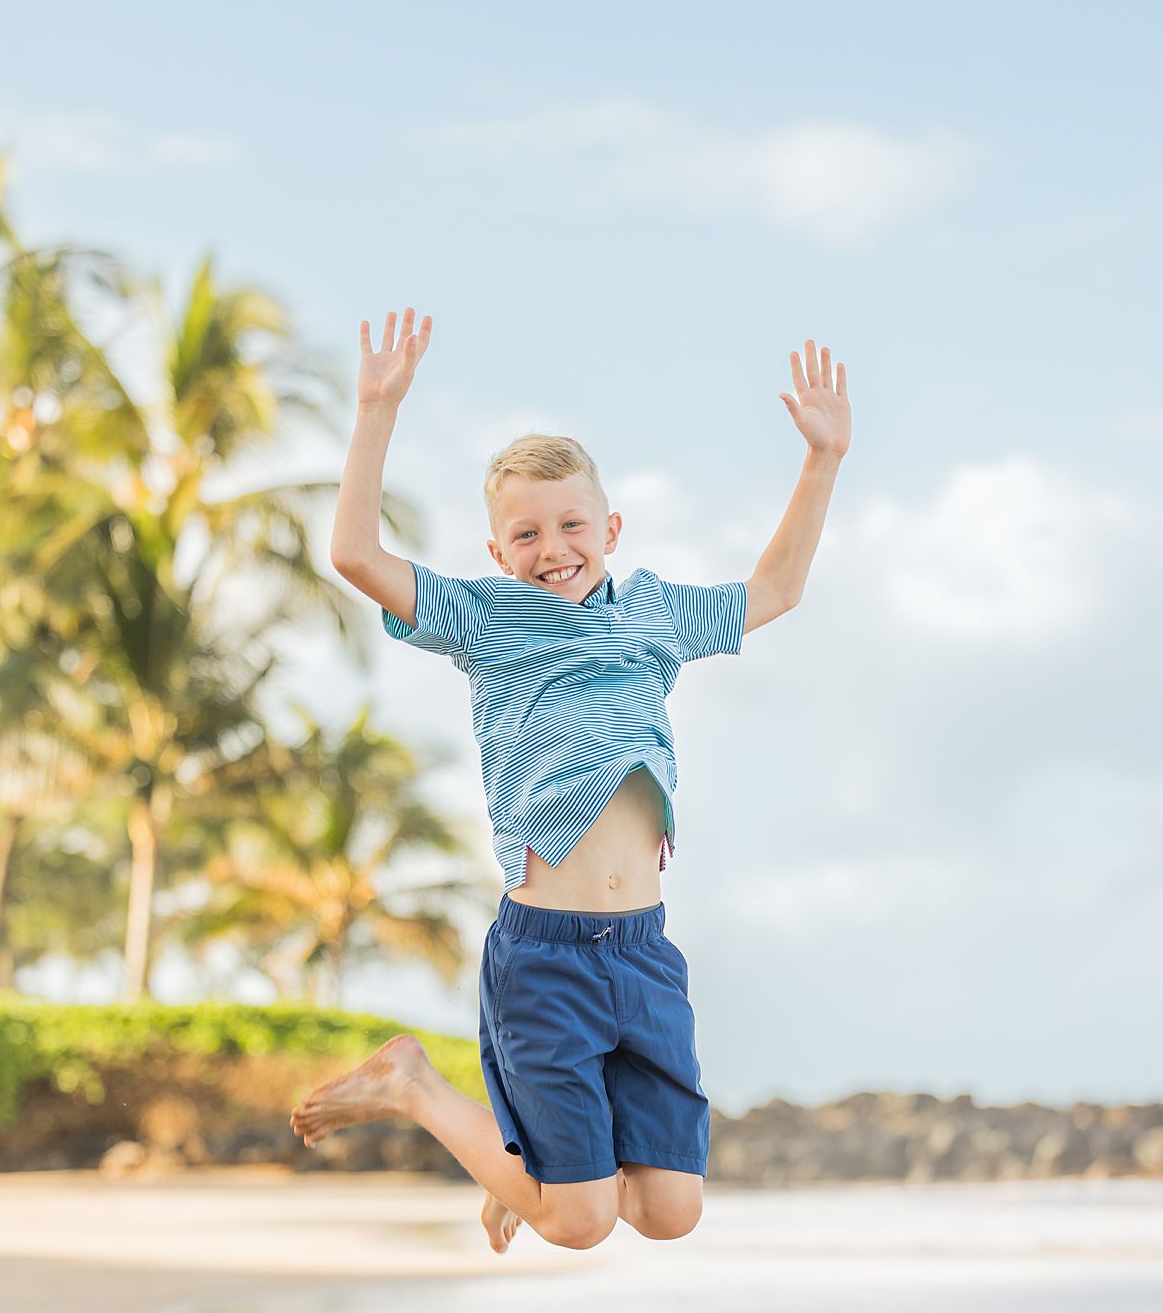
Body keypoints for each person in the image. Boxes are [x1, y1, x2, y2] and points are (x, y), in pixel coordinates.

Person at [290, 309, 850, 1252]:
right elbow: (355, 554)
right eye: (525, 534)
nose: (553, 548)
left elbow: (777, 590)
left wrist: (822, 460)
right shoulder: (486, 620)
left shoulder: (659, 615)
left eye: (571, 524)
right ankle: (413, 1086)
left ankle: (523, 1168)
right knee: (583, 1223)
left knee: (672, 1212)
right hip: (546, 957)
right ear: (496, 552)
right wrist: (377, 406)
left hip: (643, 951)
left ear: (611, 528)